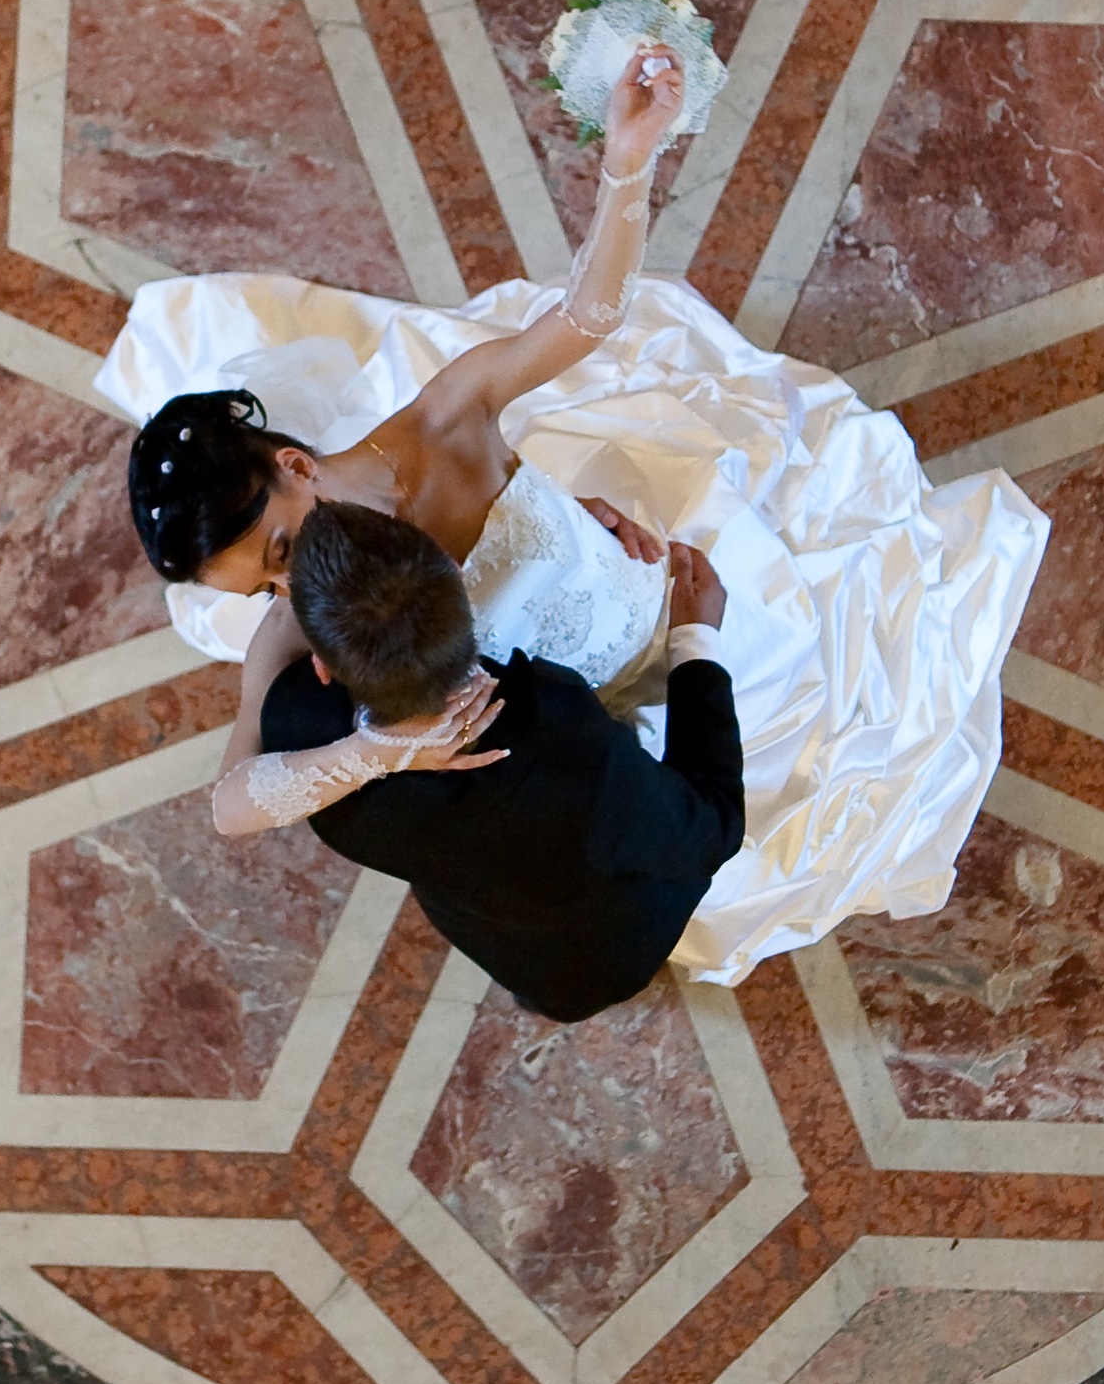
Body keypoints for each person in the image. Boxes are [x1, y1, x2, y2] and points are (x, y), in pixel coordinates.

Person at [107, 52, 1050, 989]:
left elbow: (587, 321)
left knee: (795, 726)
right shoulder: (295, 625)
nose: (287, 592)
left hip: (645, 619)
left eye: (278, 549)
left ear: (297, 466)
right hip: (568, 763)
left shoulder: (441, 425)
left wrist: (628, 164)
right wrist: (372, 750)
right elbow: (232, 805)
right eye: (263, 588)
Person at [235, 502, 742, 1023]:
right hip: (609, 951)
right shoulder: (565, 735)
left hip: (515, 952)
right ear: (457, 570)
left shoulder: (304, 749)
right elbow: (717, 824)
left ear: (321, 666)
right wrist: (695, 639)